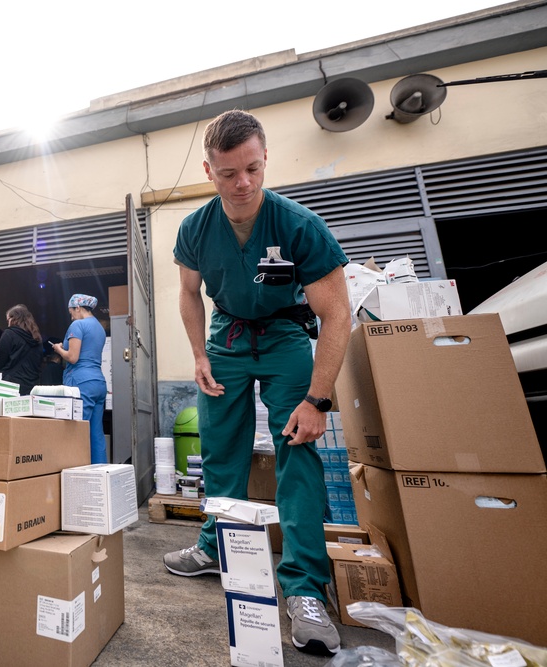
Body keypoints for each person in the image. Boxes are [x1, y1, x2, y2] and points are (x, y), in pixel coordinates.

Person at [163, 110, 351, 655]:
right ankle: (215, 546)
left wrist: (317, 399)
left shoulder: (298, 225)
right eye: (228, 174)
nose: (242, 183)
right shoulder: (195, 228)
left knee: (297, 446)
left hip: (285, 336)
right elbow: (187, 294)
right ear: (209, 171)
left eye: (251, 168)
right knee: (221, 446)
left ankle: (304, 587)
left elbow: (336, 315)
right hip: (226, 337)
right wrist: (199, 353)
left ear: (264, 158)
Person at [52, 295, 108, 463]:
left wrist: (58, 349)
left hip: (80, 382)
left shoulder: (78, 325)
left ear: (78, 308)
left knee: (76, 430)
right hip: (98, 382)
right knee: (96, 432)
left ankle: (76, 474)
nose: (71, 317)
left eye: (71, 312)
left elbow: (73, 357)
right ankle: (100, 473)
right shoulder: (99, 328)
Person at [0, 304, 43, 395]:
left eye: (8, 319)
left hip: (11, 385)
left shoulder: (9, 333)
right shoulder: (37, 338)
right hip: (32, 386)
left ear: (13, 319)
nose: (8, 323)